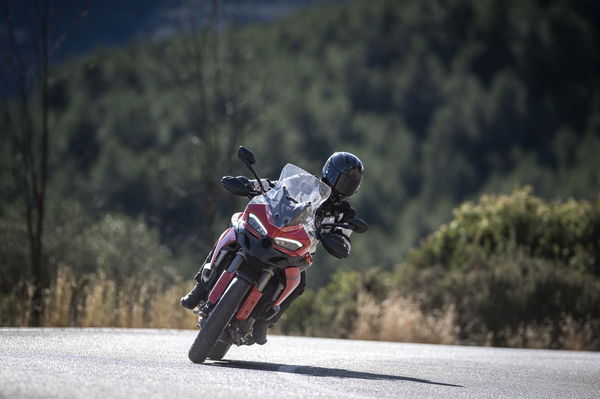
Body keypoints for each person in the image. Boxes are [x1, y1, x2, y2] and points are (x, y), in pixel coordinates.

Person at [180, 152, 364, 344]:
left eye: (350, 184)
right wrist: (250, 185)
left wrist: (338, 242)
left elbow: (345, 239)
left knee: (298, 285)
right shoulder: (303, 182)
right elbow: (274, 186)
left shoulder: (345, 214)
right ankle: (200, 289)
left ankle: (263, 324)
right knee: (230, 236)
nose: (344, 187)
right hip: (271, 230)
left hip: (298, 250)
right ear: (329, 172)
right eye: (342, 180)